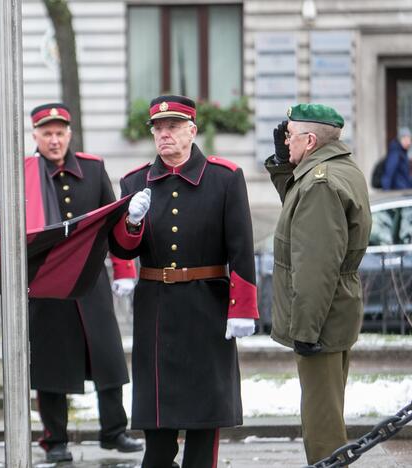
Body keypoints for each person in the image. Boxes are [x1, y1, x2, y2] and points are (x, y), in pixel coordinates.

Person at [109, 95, 258, 468]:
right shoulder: (135, 181)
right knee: (158, 434)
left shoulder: (225, 178)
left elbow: (241, 247)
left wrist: (243, 309)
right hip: (156, 311)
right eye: (158, 128)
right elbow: (123, 251)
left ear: (192, 130)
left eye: (173, 127)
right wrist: (130, 223)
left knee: (204, 427)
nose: (164, 135)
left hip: (208, 307)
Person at [27, 103, 143, 463]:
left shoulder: (92, 170)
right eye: (47, 133)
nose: (54, 139)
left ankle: (113, 432)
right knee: (51, 366)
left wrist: (124, 270)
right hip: (46, 285)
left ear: (69, 134)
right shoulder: (25, 174)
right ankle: (55, 440)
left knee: (107, 357)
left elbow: (112, 222)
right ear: (36, 136)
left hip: (90, 280)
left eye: (60, 132)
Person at [266, 104, 371, 464]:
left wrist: (306, 329)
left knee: (322, 424)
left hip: (322, 319)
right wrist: (283, 164)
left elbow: (315, 265)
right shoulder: (334, 170)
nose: (285, 139)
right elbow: (300, 211)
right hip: (336, 310)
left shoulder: (321, 184)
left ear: (310, 141)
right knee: (327, 412)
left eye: (290, 135)